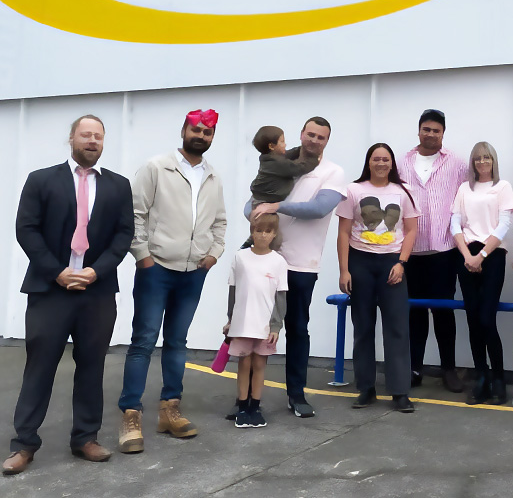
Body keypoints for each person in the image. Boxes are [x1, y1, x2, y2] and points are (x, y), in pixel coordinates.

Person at [2, 115, 133, 475]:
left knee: (92, 366)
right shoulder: (42, 180)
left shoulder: (119, 186)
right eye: (85, 134)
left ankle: (85, 438)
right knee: (39, 367)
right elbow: (26, 230)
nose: (92, 141)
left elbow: (124, 236)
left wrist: (96, 271)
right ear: (71, 139)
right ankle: (24, 443)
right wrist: (57, 272)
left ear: (103, 143)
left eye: (98, 136)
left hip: (97, 291)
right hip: (50, 290)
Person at [118, 109, 227, 454]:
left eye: (208, 132)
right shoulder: (157, 167)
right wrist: (143, 256)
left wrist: (214, 254)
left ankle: (170, 409)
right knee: (143, 341)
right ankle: (131, 415)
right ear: (184, 130)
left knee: (178, 342)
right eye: (196, 129)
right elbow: (134, 213)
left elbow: (220, 222)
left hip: (193, 271)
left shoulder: (212, 176)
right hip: (157, 269)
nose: (201, 136)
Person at [250, 116, 346, 419]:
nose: (314, 140)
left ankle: (296, 395)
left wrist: (276, 207)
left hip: (302, 265)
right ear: (301, 134)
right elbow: (250, 206)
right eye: (310, 134)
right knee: (252, 329)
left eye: (321, 137)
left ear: (326, 142)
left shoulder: (332, 172)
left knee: (296, 330)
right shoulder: (278, 163)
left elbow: (318, 209)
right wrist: (259, 212)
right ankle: (248, 400)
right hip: (265, 261)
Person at [336, 143, 420, 412]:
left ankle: (399, 391)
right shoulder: (354, 190)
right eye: (376, 159)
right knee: (363, 327)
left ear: (392, 163)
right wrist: (344, 270)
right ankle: (366, 388)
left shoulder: (402, 192)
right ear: (368, 162)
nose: (381, 163)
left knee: (397, 328)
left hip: (391, 264)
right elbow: (343, 233)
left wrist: (402, 263)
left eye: (386, 159)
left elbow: (411, 230)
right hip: (360, 262)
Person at [397, 109, 469, 392]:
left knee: (443, 310)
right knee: (413, 311)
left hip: (443, 249)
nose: (430, 134)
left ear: (443, 134)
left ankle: (448, 369)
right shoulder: (401, 163)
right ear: (418, 131)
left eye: (436, 130)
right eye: (426, 129)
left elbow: (468, 198)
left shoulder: (457, 164)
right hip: (410, 250)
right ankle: (414, 367)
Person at [451, 141, 513, 405]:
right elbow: (455, 222)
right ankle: (481, 378)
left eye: (486, 158)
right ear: (472, 163)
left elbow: (504, 225)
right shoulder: (464, 188)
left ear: (493, 161)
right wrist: (468, 256)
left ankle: (499, 378)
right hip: (466, 257)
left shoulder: (502, 187)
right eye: (477, 159)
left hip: (492, 257)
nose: (481, 162)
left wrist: (482, 256)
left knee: (487, 319)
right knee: (472, 320)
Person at [222, 211, 288, 428]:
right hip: (241, 323)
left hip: (265, 325)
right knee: (244, 363)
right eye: (258, 230)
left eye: (268, 231)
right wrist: (230, 320)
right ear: (252, 231)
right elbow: (233, 291)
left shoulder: (278, 262)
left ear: (274, 234)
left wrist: (276, 325)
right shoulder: (240, 257)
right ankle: (242, 407)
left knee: (260, 364)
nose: (262, 235)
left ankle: (255, 407)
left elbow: (280, 296)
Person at [248, 125, 317, 208]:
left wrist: (301, 149)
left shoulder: (267, 158)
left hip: (260, 197)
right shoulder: (278, 163)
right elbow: (300, 168)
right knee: (270, 220)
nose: (285, 144)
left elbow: (287, 154)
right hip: (265, 201)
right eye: (282, 141)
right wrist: (314, 159)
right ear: (271, 146)